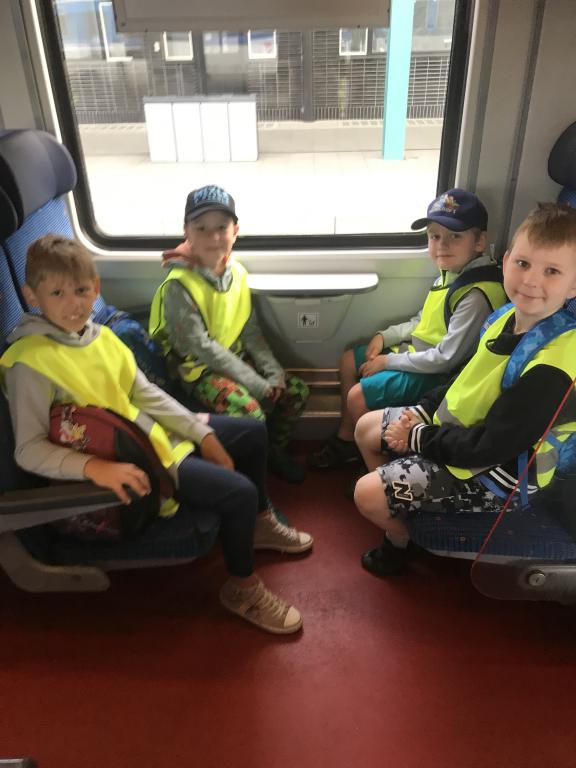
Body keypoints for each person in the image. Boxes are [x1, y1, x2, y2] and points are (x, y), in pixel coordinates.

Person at [0, 235, 314, 634]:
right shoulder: (30, 363)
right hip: (127, 456)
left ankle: (259, 525)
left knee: (252, 433)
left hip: (150, 432)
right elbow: (28, 450)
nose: (73, 304)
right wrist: (94, 468)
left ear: (96, 287)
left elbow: (144, 394)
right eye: (56, 293)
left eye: (81, 290)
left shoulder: (101, 338)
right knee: (239, 493)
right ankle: (242, 589)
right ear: (32, 296)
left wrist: (201, 434)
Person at [353, 202, 576, 576]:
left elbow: (492, 446)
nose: (531, 280)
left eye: (552, 271)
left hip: (498, 473)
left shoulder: (554, 365)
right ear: (506, 261)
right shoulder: (505, 317)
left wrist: (418, 438)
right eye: (523, 263)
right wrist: (423, 410)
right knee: (365, 428)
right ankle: (403, 502)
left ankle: (400, 540)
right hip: (461, 433)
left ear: (574, 285)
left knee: (366, 495)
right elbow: (466, 379)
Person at [309, 188, 507, 469]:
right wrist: (385, 336)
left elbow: (446, 358)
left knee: (357, 397)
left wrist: (388, 361)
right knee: (348, 360)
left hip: (438, 373)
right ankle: (347, 440)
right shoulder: (451, 274)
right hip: (419, 354)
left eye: (455, 236)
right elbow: (423, 321)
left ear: (479, 241)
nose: (442, 245)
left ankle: (377, 468)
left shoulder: (476, 294)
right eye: (434, 236)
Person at [149, 185, 309, 484]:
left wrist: (272, 373)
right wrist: (257, 384)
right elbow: (202, 348)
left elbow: (249, 330)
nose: (213, 237)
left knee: (295, 392)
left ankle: (271, 452)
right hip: (196, 371)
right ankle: (251, 478)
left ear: (235, 231)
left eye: (221, 227)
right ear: (187, 231)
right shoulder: (178, 285)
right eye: (201, 228)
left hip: (231, 358)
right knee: (252, 415)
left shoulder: (237, 273)